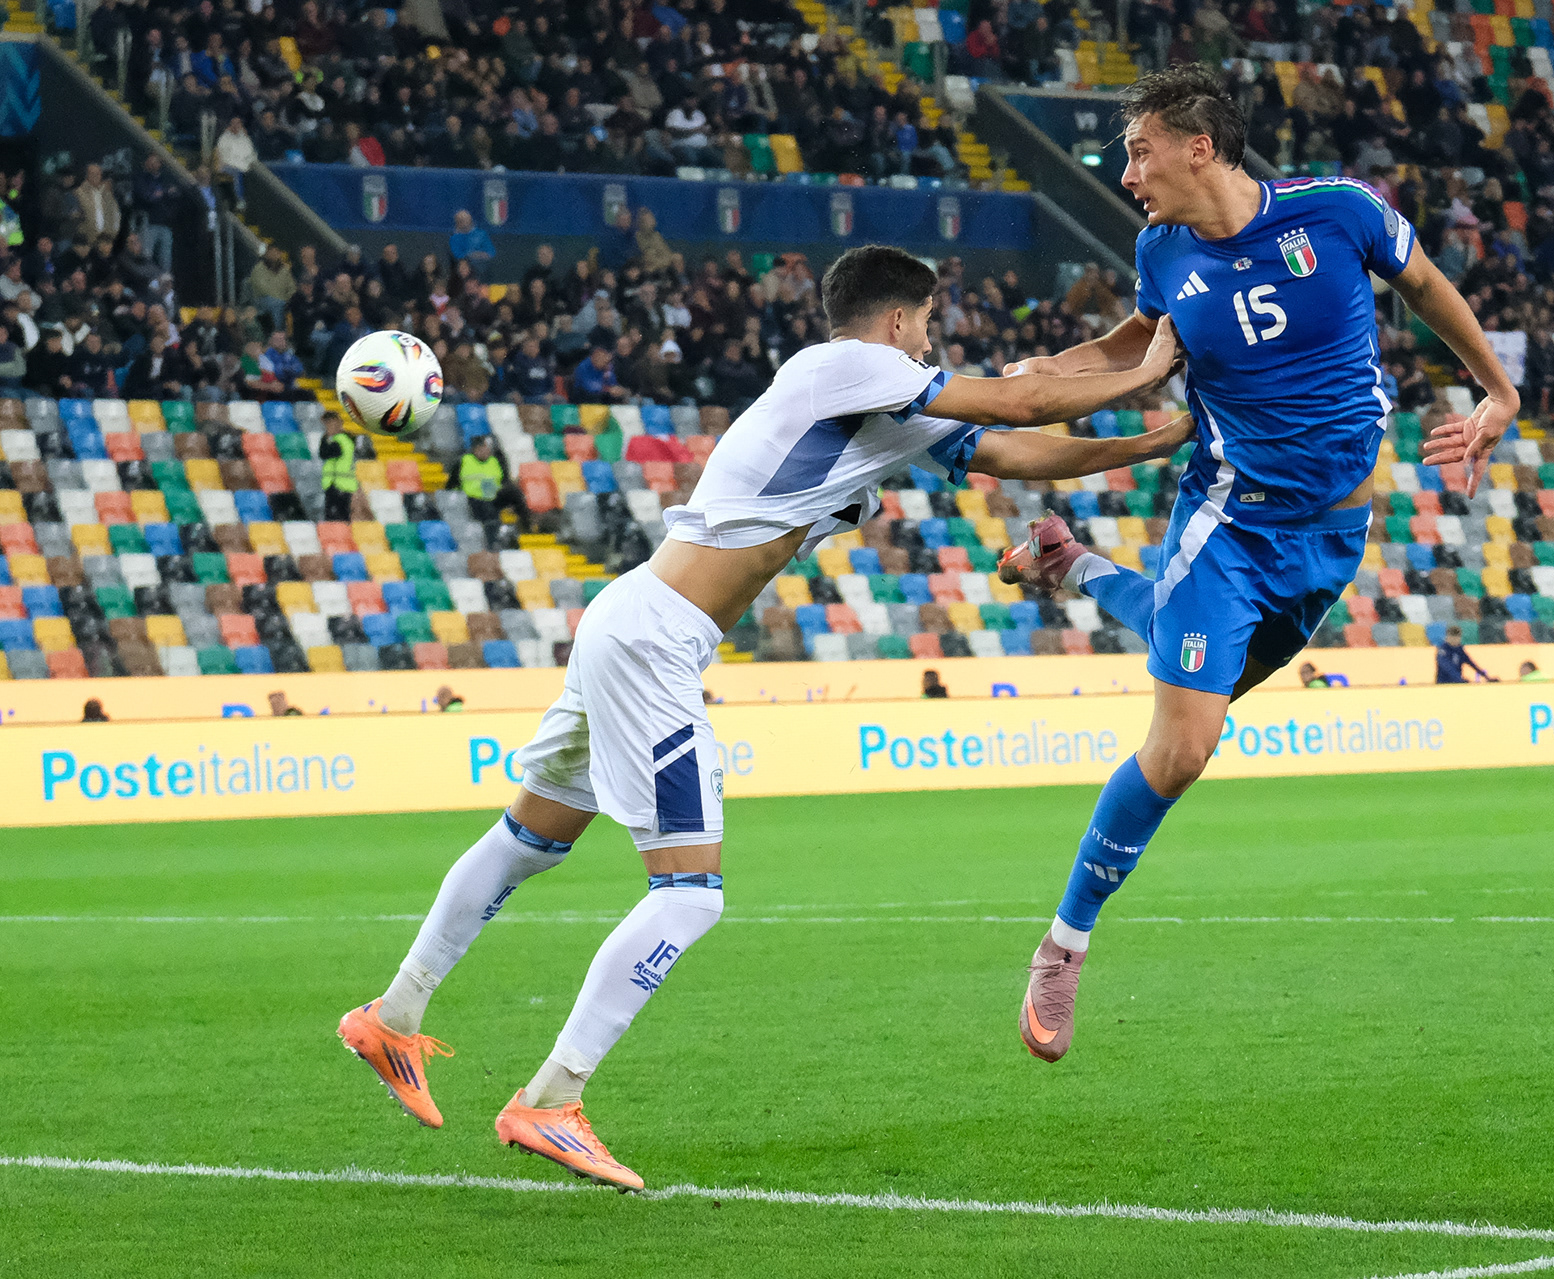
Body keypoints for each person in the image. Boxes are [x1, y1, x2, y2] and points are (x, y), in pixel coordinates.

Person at [335, 243, 1194, 1189]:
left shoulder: (881, 408)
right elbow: (1024, 401)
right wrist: (1153, 368)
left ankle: (393, 1015)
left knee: (532, 838)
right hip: (657, 638)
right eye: (931, 325)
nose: (934, 344)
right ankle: (551, 1098)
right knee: (689, 894)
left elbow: (1020, 449)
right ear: (902, 321)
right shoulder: (848, 366)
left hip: (634, 617)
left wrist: (1152, 443)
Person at [993, 65, 1516, 1064]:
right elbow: (1135, 342)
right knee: (1186, 744)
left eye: (1140, 149)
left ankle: (1072, 563)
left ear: (1200, 146)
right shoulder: (1162, 250)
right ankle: (1065, 943)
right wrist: (1049, 372)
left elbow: (1430, 287)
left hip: (1334, 539)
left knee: (1207, 679)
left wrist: (1495, 391)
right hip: (1229, 525)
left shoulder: (1340, 213)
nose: (1128, 171)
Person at [448, 433, 525, 530]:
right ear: (476, 449)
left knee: (515, 493)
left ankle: (526, 526)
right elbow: (451, 485)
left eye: (487, 448)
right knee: (487, 509)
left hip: (493, 496)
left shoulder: (495, 461)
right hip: (472, 498)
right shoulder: (464, 461)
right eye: (483, 448)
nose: (486, 451)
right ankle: (493, 534)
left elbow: (504, 481)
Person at [318, 411, 358, 521]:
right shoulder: (347, 439)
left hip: (337, 484)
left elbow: (324, 453)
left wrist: (325, 438)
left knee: (334, 519)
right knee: (344, 518)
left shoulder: (339, 440)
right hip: (345, 484)